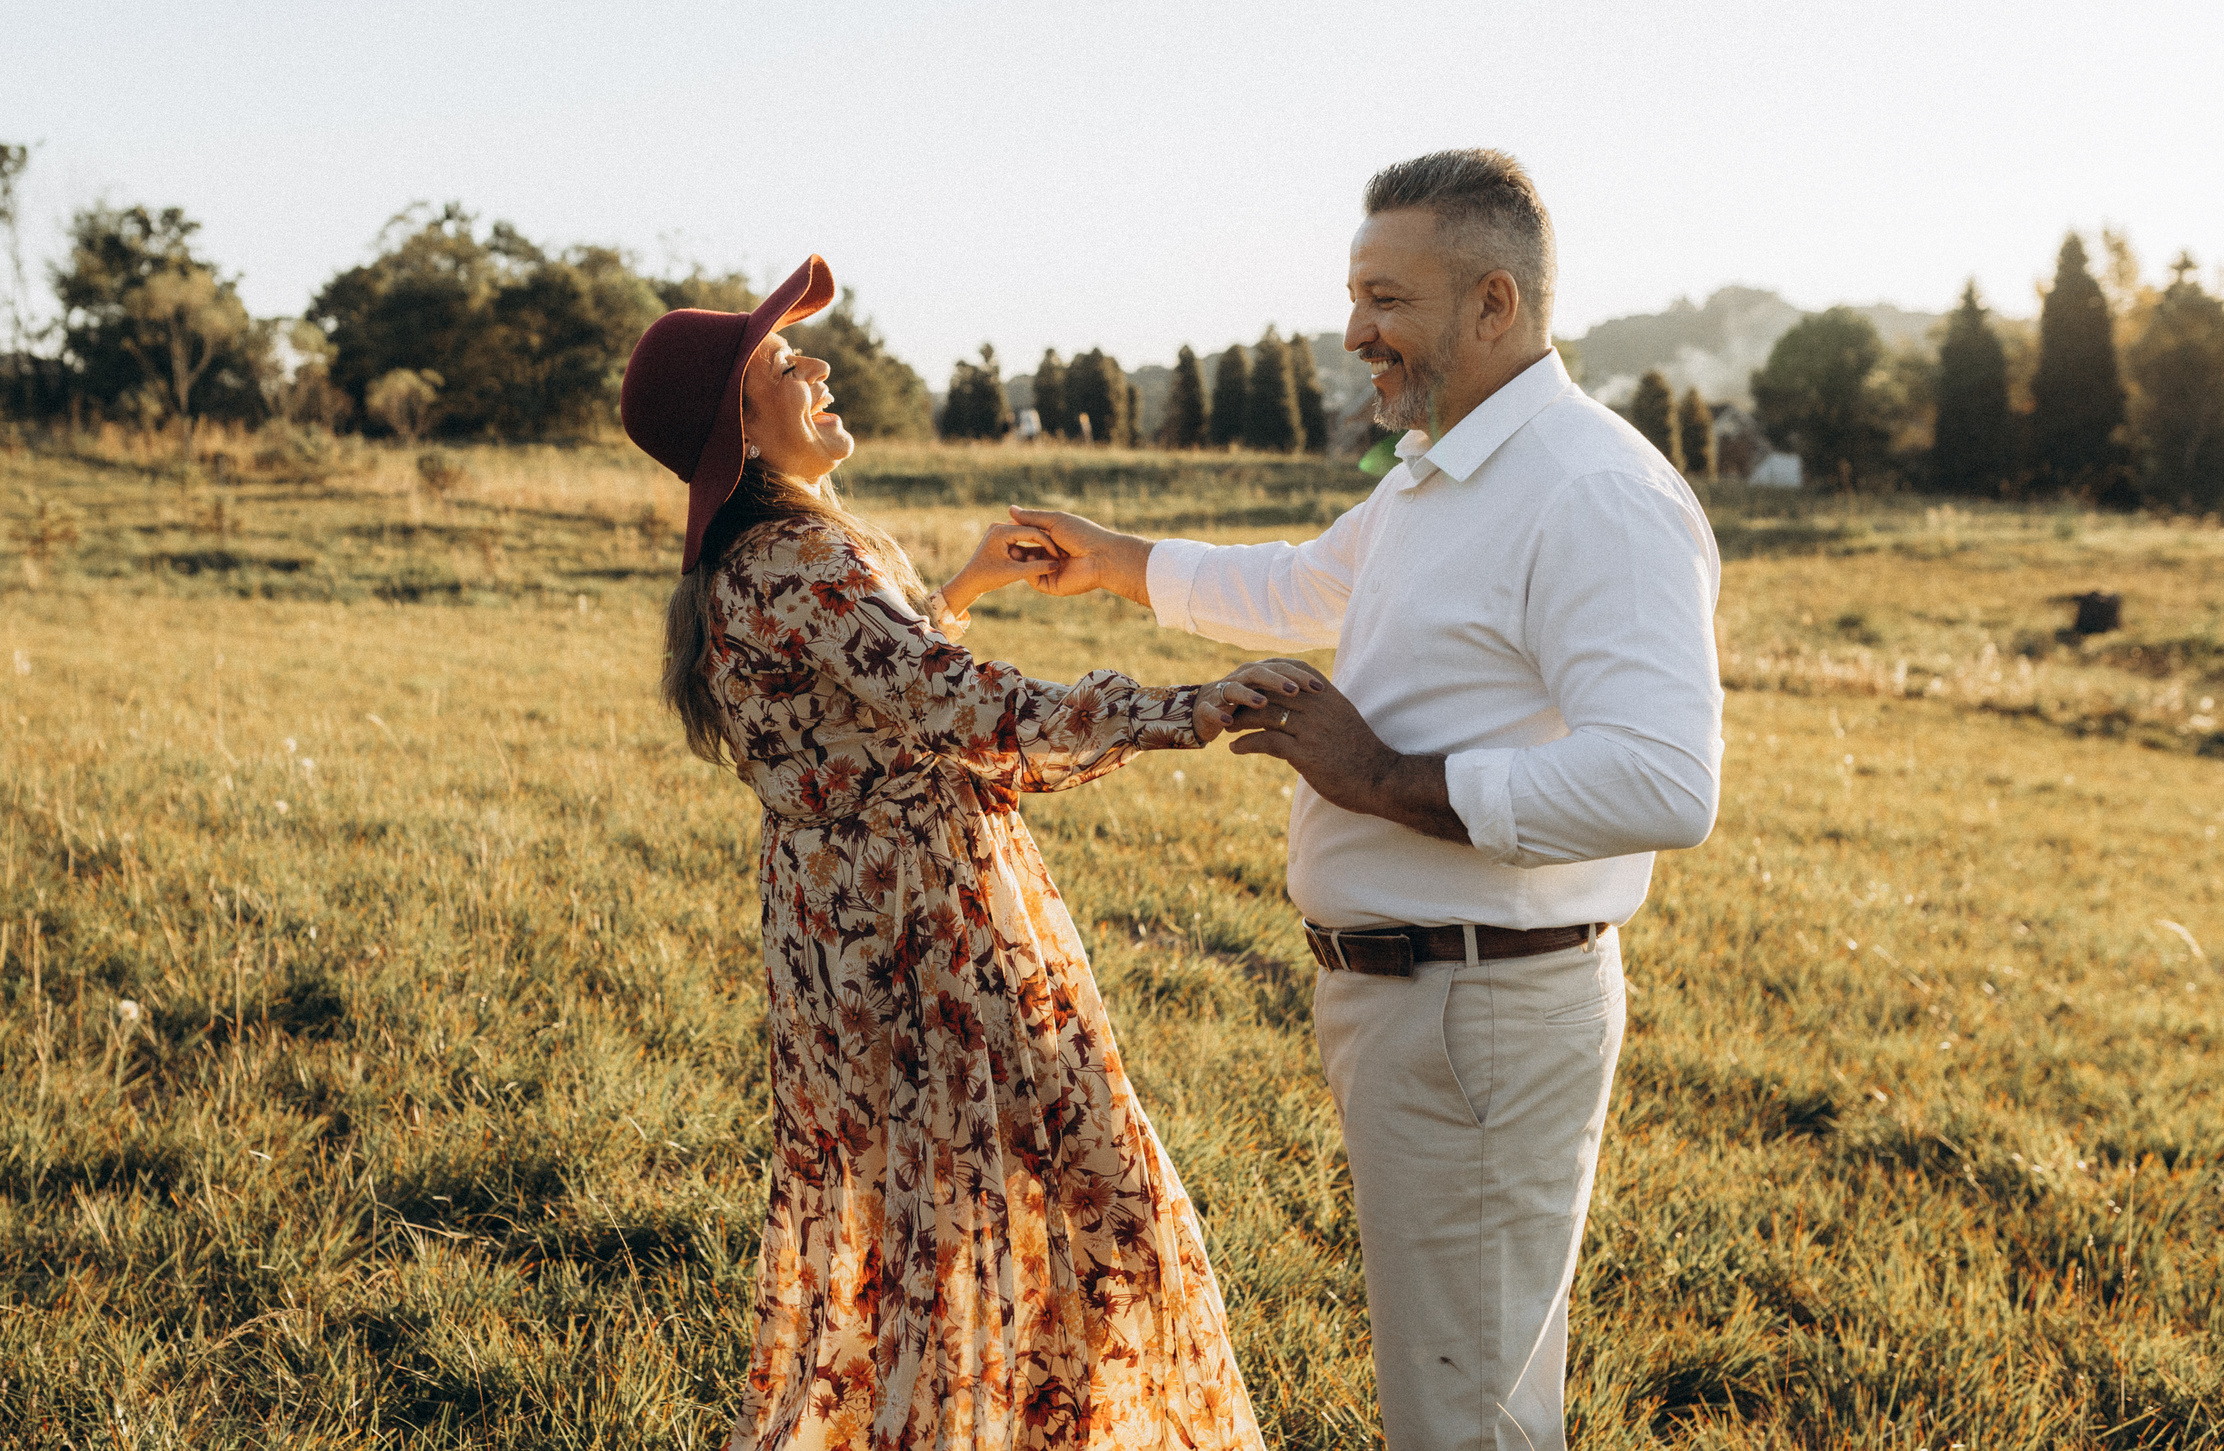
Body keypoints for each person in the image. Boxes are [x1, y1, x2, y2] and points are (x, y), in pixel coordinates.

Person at [1007, 150, 1725, 1451]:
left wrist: (1384, 778)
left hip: (1480, 1007)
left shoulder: (1591, 490)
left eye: (1387, 298)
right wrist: (1112, 562)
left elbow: (1664, 779)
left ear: (1494, 303)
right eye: (1355, 295)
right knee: (1461, 1392)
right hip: (1417, 1004)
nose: (1354, 333)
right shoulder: (1437, 474)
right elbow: (1302, 584)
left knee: (1465, 1417)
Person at [618, 255, 1274, 1451]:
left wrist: (960, 586)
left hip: (840, 929)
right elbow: (974, 714)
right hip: (923, 923)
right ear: (738, 425)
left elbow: (873, 703)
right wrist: (1192, 705)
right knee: (1093, 1206)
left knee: (930, 1222)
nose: (818, 365)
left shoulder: (754, 564)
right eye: (784, 361)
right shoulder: (802, 560)